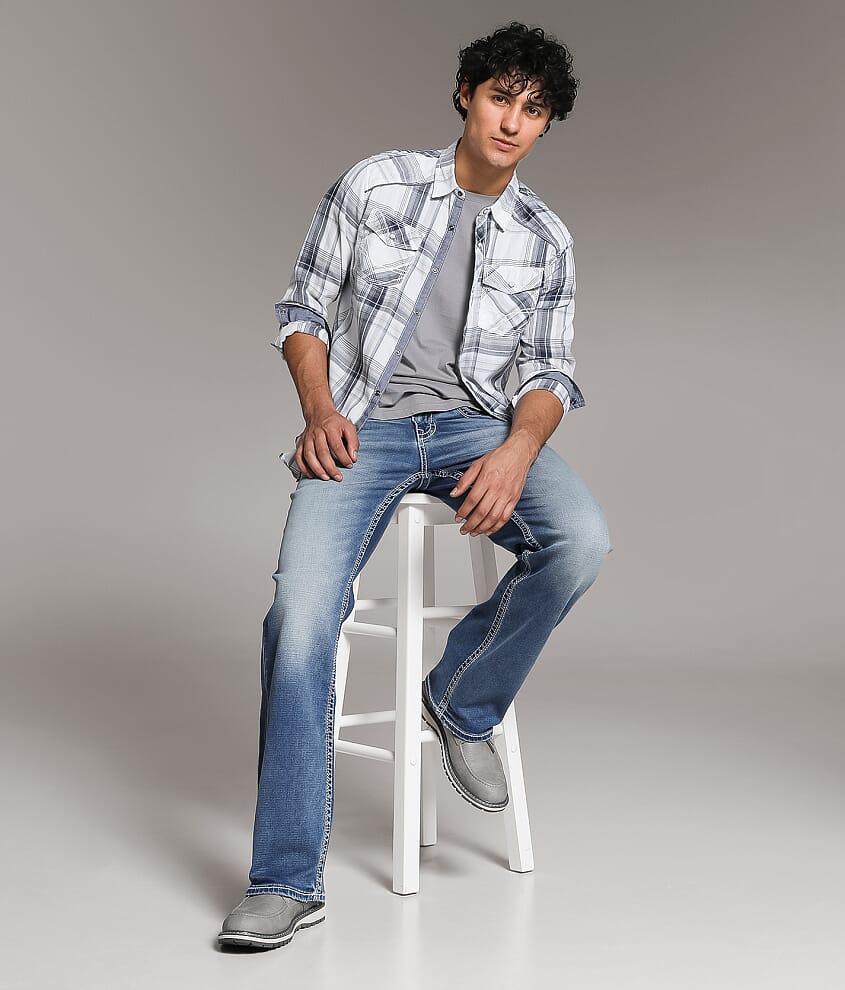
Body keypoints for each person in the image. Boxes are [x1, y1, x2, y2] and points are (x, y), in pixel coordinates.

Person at [218, 20, 612, 950]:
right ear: (466, 95)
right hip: (364, 427)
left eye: (532, 109)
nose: (511, 121)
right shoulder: (377, 184)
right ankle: (285, 881)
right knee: (298, 618)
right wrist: (319, 410)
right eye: (500, 97)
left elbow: (549, 373)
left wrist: (516, 451)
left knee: (581, 540)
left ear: (545, 125)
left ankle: (461, 699)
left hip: (477, 428)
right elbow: (303, 309)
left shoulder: (545, 238)